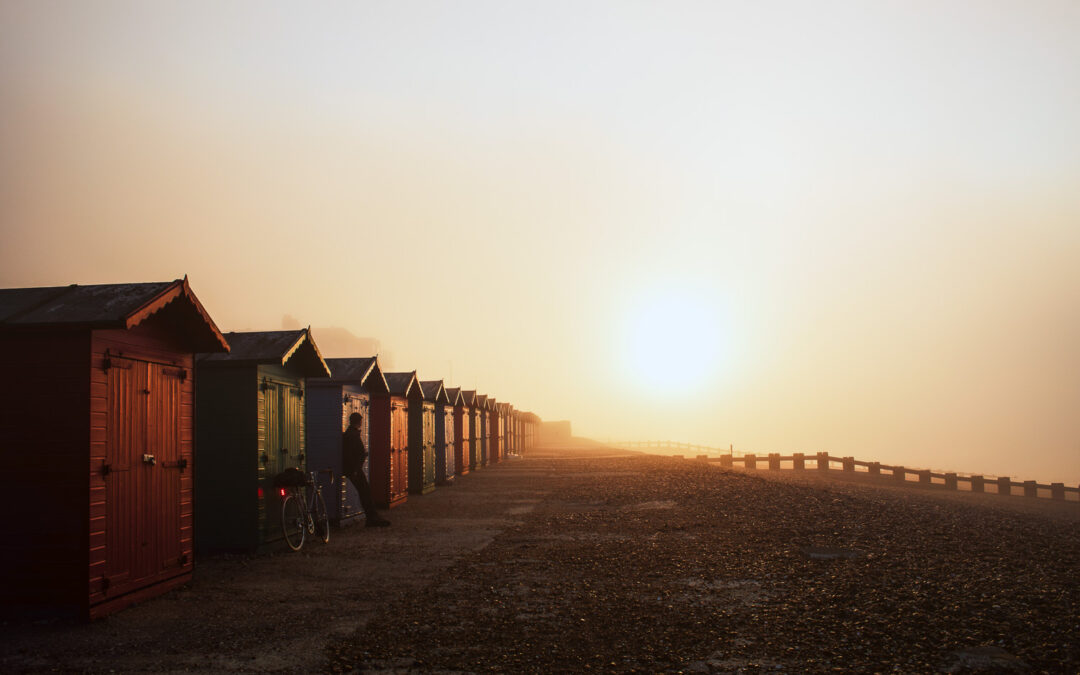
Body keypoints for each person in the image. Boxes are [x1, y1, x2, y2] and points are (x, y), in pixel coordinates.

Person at [343, 412, 390, 527]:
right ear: (359, 421)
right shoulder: (352, 435)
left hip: (354, 469)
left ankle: (372, 516)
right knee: (365, 492)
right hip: (354, 469)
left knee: (365, 491)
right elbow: (350, 454)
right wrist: (355, 469)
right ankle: (372, 518)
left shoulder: (350, 434)